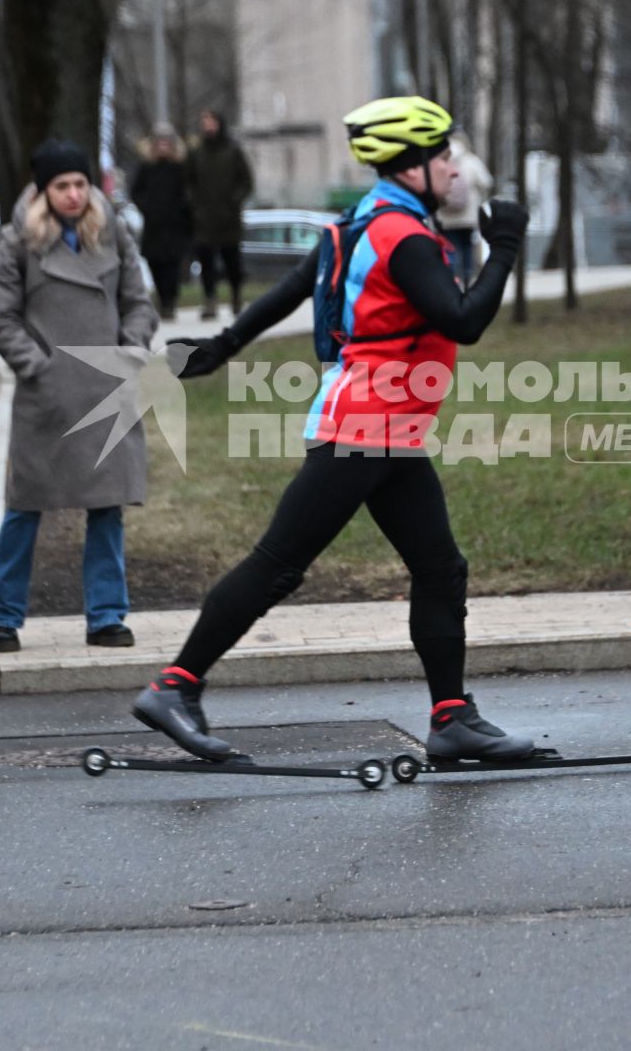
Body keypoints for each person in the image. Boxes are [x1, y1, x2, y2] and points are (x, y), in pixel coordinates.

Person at [130, 95, 540, 763]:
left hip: (389, 429)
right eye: (442, 156)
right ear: (410, 166)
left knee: (440, 567)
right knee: (277, 565)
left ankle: (452, 716)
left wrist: (223, 344)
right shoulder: (403, 237)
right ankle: (174, 688)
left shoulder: (364, 222)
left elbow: (293, 287)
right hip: (366, 425)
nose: (453, 169)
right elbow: (462, 320)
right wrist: (506, 248)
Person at [0, 139, 159, 652]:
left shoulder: (112, 234)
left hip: (108, 386)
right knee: (26, 506)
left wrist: (130, 347)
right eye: (62, 185)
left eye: (81, 184)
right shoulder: (18, 241)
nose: (74, 194)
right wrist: (37, 366)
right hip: (48, 394)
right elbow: (0, 317)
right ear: (44, 190)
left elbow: (139, 303)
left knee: (107, 506)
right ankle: (3, 617)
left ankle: (106, 615)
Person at [186, 108, 254, 320]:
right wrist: (195, 205)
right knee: (206, 262)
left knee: (231, 260)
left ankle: (236, 296)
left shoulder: (233, 151)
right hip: (204, 219)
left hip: (228, 218)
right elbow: (188, 182)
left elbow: (246, 181)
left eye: (211, 121)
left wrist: (234, 201)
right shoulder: (196, 153)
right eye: (204, 122)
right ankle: (210, 300)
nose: (208, 126)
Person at [129, 124, 193, 319]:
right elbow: (136, 191)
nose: (163, 146)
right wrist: (147, 207)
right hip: (154, 225)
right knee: (155, 263)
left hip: (175, 225)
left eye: (167, 142)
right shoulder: (146, 167)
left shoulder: (180, 168)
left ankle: (170, 301)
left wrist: (182, 209)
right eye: (160, 142)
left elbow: (189, 191)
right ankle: (162, 297)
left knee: (172, 265)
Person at [442, 130, 492, 282]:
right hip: (468, 215)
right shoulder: (471, 160)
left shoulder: (441, 160)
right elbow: (486, 182)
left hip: (446, 216)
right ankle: (467, 278)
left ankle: (452, 277)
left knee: (451, 246)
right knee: (467, 245)